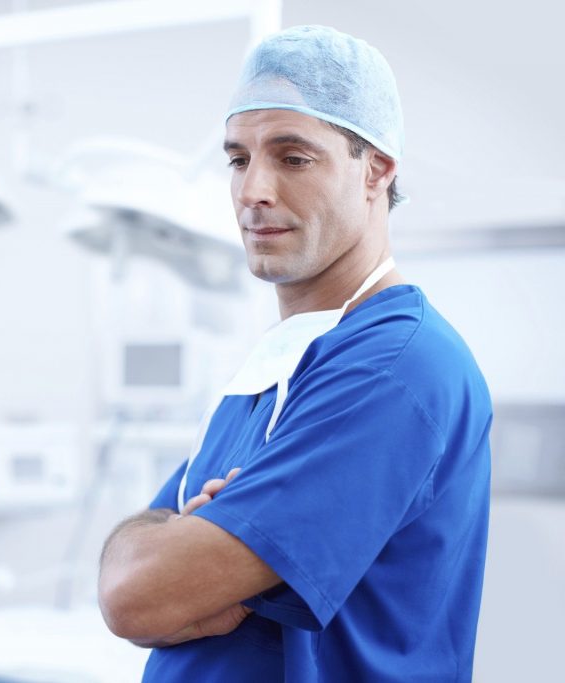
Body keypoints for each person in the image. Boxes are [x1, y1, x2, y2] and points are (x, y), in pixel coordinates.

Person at [97, 25, 491, 683]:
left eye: (293, 157)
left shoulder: (395, 366)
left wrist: (177, 555)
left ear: (377, 169)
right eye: (238, 158)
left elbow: (140, 595)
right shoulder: (280, 361)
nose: (254, 190)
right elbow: (128, 569)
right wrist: (161, 550)